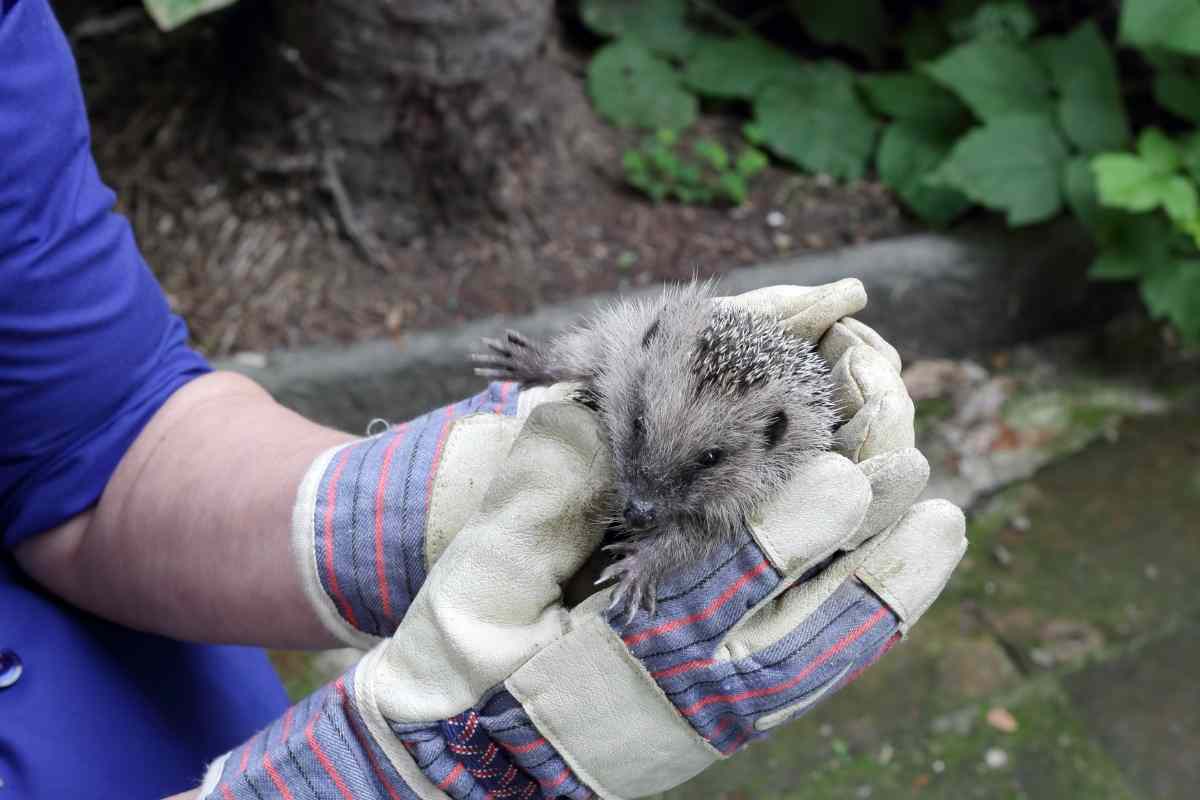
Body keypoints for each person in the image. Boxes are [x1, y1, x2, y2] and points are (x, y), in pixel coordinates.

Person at [0, 2, 966, 798]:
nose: (638, 482)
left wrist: (379, 518)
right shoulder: (642, 357)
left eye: (704, 457)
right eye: (635, 426)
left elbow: (90, 430)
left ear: (777, 436)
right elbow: (603, 365)